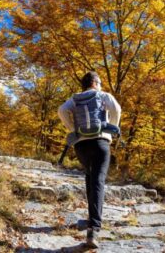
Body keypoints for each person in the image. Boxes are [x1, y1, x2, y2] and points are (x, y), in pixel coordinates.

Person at [58, 71, 121, 248]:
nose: (100, 85)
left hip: (81, 145)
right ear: (94, 82)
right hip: (101, 142)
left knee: (90, 178)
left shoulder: (75, 98)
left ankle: (90, 218)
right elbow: (116, 109)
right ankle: (93, 229)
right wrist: (112, 129)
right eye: (99, 82)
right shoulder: (102, 95)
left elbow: (62, 111)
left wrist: (73, 129)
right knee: (98, 181)